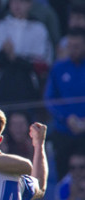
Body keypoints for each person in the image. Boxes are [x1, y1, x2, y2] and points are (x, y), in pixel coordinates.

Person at [44, 28, 85, 180]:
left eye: (77, 46)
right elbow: (50, 99)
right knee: (62, 176)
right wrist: (67, 118)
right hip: (64, 131)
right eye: (70, 46)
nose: (73, 50)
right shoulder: (58, 68)